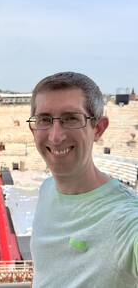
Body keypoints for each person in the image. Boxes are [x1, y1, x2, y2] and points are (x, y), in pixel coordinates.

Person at [27, 72, 138, 287]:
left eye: (71, 119)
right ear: (33, 128)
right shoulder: (46, 189)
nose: (55, 136)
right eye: (44, 120)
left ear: (98, 128)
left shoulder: (127, 220)